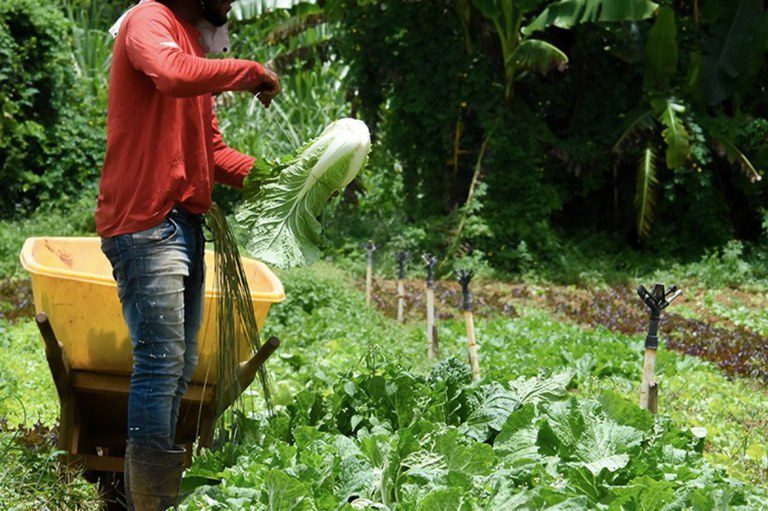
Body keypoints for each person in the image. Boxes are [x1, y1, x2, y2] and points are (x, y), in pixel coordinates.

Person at [95, 0, 280, 509]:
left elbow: (213, 152)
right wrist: (248, 72)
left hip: (184, 222)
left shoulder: (191, 48)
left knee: (179, 365)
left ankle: (155, 495)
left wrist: (283, 177)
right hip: (147, 218)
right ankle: (150, 503)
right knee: (161, 360)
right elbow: (171, 74)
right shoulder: (149, 19)